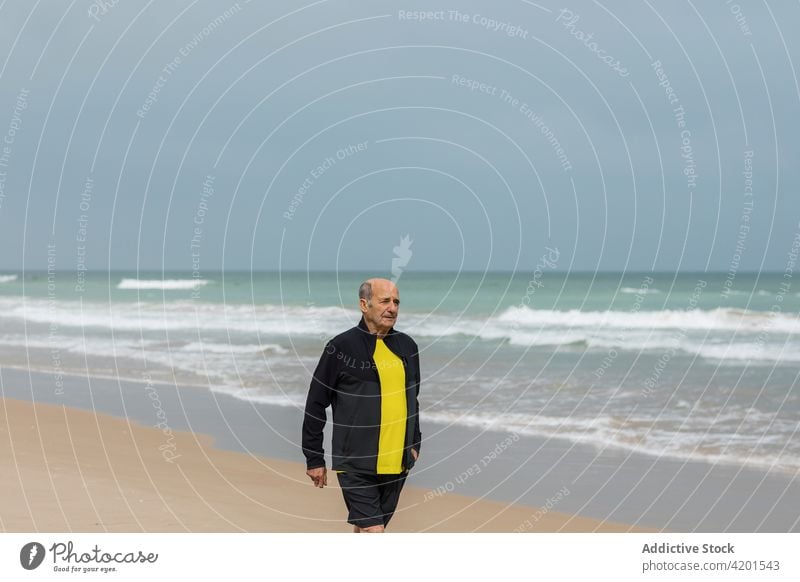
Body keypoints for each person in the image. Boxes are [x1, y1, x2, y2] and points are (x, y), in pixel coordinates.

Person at [302, 278, 421, 532]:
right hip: (356, 463)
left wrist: (414, 444)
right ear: (364, 305)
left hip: (397, 464)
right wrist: (314, 457)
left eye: (396, 302)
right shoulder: (341, 348)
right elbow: (316, 402)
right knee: (373, 531)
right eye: (385, 301)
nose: (392, 308)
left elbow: (413, 399)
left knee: (367, 527)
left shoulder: (407, 346)